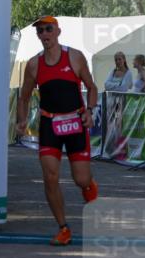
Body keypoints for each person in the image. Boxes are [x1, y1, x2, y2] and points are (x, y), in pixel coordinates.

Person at [15, 16, 99, 246]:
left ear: (58, 31)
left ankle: (89, 186)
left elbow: (92, 87)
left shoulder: (74, 56)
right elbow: (23, 98)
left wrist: (90, 111)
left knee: (81, 179)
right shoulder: (34, 65)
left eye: (48, 29)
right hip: (49, 123)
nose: (44, 34)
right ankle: (63, 228)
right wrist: (22, 121)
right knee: (50, 177)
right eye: (40, 31)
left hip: (75, 122)